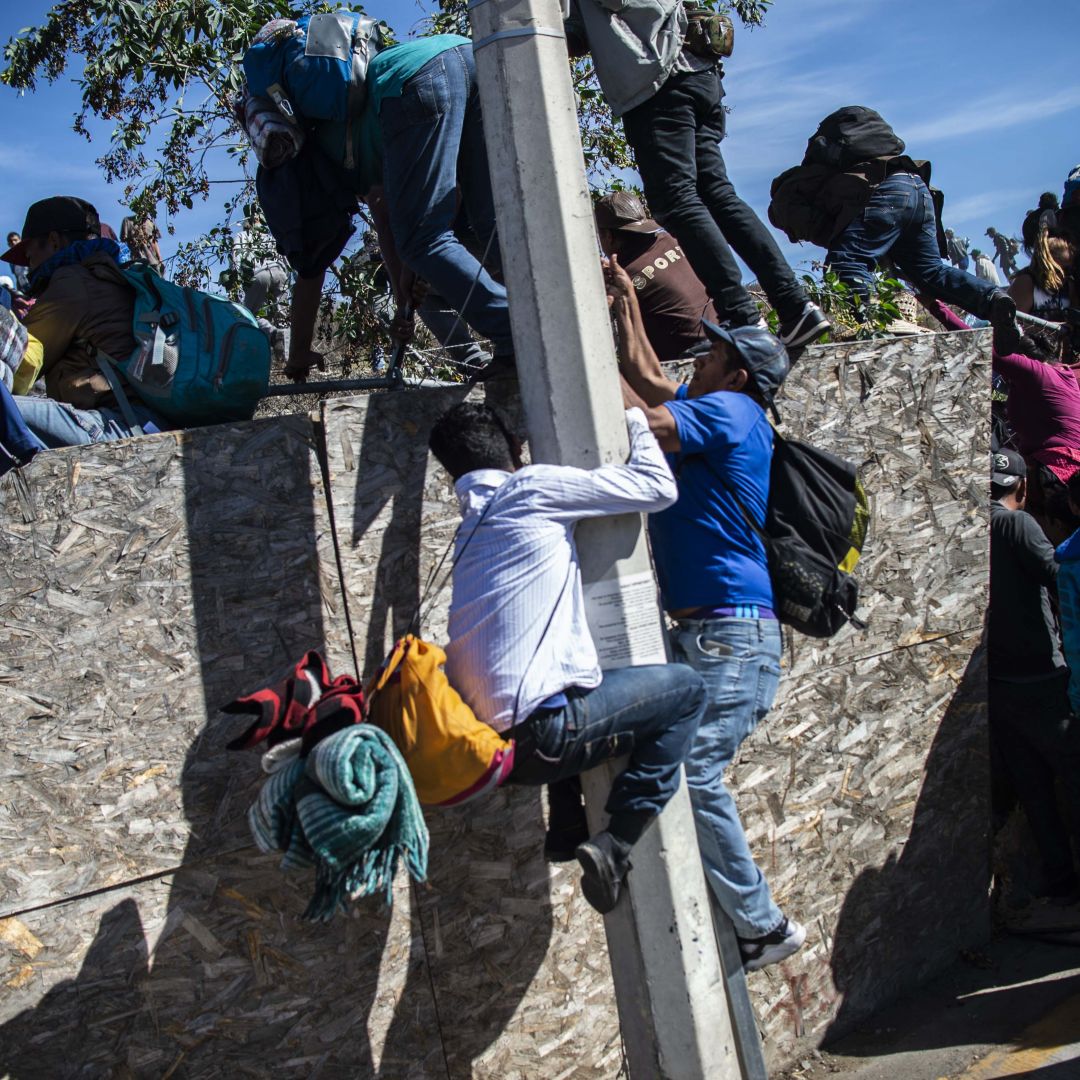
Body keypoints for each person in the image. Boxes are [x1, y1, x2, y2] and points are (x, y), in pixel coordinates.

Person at [605, 255, 807, 970]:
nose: (703, 355)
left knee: (693, 771)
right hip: (711, 633)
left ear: (738, 373)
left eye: (714, 352)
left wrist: (585, 354)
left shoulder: (731, 411)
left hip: (730, 636)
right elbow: (657, 381)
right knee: (660, 754)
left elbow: (647, 416)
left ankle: (764, 926)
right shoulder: (726, 408)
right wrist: (624, 304)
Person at [428, 401, 706, 915]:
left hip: (499, 754)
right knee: (687, 691)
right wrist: (637, 420)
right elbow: (657, 488)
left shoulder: (468, 533)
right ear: (516, 449)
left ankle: (567, 824)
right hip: (548, 736)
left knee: (561, 677)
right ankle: (616, 842)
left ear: (455, 477)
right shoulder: (530, 488)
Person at [563, 0, 830, 351]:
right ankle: (795, 308)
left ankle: (742, 319)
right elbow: (582, 32)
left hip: (659, 81)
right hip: (694, 71)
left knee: (677, 200)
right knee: (716, 195)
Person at [280, 33, 513, 384]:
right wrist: (406, 280)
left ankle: (517, 331)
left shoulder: (323, 161)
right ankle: (544, 314)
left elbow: (380, 203)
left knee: (422, 241)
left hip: (415, 78)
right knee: (491, 222)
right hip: (466, 53)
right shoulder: (335, 126)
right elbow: (443, 191)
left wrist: (402, 275)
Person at [1, 196, 167, 447]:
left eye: (29, 252)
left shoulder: (73, 283)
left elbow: (23, 360)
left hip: (119, 425)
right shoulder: (112, 273)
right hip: (145, 421)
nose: (29, 264)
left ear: (54, 241)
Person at [990, 448, 1080, 900]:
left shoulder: (977, 525)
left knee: (1035, 791)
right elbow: (1057, 574)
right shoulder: (1016, 523)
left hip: (1001, 686)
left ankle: (1062, 882)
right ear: (1023, 488)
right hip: (1043, 678)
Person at [594, 191, 717, 361]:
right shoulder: (670, 239)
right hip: (724, 336)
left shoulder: (624, 277)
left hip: (693, 358)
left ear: (608, 236)